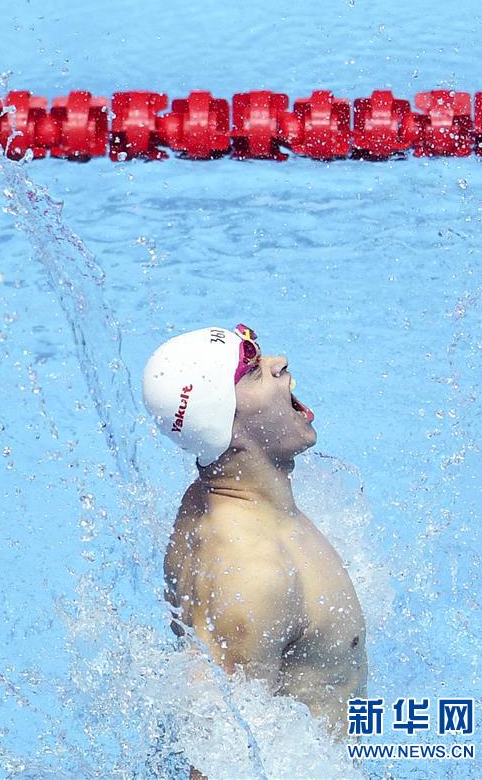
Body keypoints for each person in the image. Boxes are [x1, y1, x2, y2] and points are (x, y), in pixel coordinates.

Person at [142, 324, 367, 767]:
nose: (278, 361)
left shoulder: (216, 500)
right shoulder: (252, 573)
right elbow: (219, 760)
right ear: (224, 421)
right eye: (252, 368)